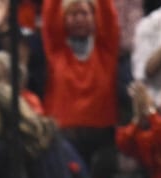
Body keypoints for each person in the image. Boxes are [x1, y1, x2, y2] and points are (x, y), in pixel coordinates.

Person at [41, 0, 120, 165]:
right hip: (65, 133)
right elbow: (49, 18)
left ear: (94, 17)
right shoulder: (57, 50)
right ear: (63, 18)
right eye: (73, 14)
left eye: (84, 13)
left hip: (101, 133)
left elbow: (108, 16)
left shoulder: (105, 49)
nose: (79, 18)